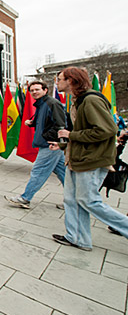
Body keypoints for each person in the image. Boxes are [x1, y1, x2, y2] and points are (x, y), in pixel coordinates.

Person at [50, 67, 128, 251]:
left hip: (91, 160)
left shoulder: (91, 100)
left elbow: (107, 130)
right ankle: (77, 238)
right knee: (71, 199)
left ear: (71, 80)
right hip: (76, 159)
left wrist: (71, 135)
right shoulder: (77, 101)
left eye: (59, 79)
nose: (57, 82)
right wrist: (62, 144)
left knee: (89, 201)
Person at [5, 81, 66, 209]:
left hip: (50, 145)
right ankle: (75, 201)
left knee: (38, 172)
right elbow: (45, 121)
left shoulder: (52, 103)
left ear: (45, 90)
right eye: (31, 90)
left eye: (37, 89)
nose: (34, 92)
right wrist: (32, 123)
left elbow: (60, 125)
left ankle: (25, 198)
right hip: (49, 144)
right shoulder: (42, 104)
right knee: (64, 174)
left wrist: (46, 137)